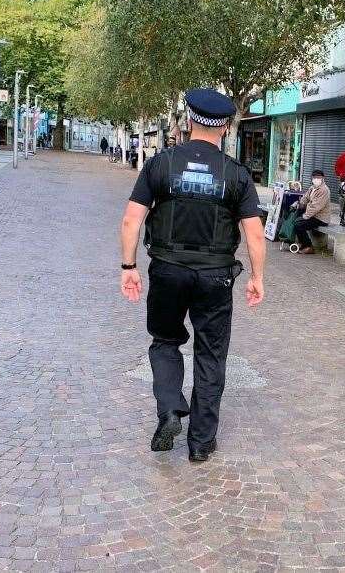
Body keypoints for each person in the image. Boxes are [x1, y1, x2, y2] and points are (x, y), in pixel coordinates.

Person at [119, 88, 266, 463]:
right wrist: (256, 277)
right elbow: (253, 234)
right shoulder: (236, 175)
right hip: (215, 276)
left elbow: (131, 219)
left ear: (188, 121)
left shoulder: (161, 164)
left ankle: (169, 409)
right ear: (226, 127)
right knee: (212, 355)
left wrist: (129, 267)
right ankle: (200, 443)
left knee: (165, 341)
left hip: (167, 270)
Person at [292, 169, 331, 254]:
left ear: (323, 178)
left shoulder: (324, 190)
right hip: (313, 215)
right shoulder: (312, 187)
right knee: (296, 217)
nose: (316, 179)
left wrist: (305, 216)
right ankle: (301, 242)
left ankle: (308, 246)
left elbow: (316, 207)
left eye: (319, 177)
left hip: (321, 218)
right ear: (312, 178)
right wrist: (300, 204)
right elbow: (305, 198)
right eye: (314, 177)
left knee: (299, 224)